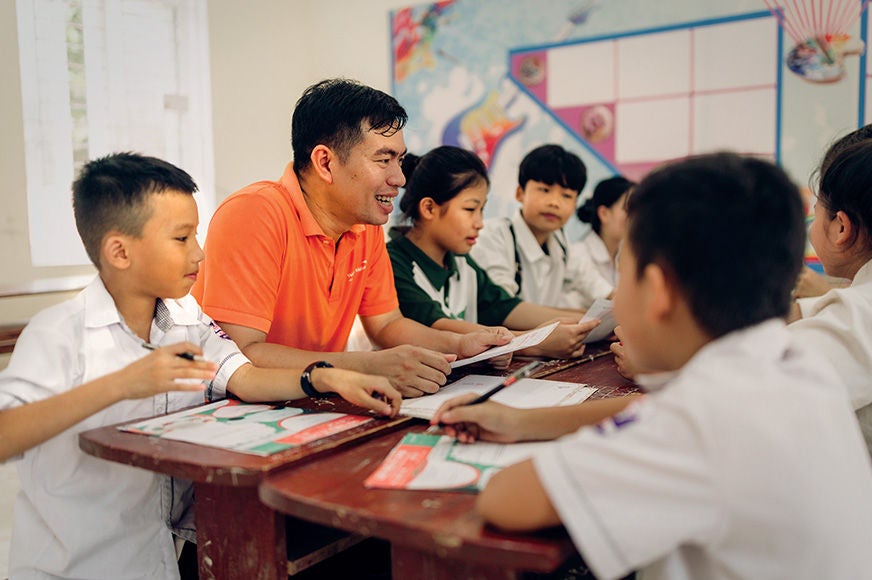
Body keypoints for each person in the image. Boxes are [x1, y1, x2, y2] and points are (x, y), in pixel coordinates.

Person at [433, 152, 872, 579]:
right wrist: (522, 421)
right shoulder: (796, 365)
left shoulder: (701, 421)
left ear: (658, 291)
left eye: (623, 281)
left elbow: (507, 500)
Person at [0, 153, 402, 579]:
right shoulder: (59, 333)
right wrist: (122, 384)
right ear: (119, 251)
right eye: (181, 239)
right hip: (76, 567)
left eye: (197, 235)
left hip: (160, 560)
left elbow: (243, 376)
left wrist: (324, 376)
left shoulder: (185, 316)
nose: (200, 253)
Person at [191, 79, 511, 398]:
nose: (399, 178)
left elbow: (387, 325)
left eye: (399, 160)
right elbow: (243, 354)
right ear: (326, 163)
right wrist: (366, 367)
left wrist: (460, 345)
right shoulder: (255, 213)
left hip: (313, 402)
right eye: (384, 160)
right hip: (231, 410)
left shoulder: (364, 224)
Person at [387, 146, 599, 359]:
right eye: (470, 209)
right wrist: (536, 341)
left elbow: (503, 307)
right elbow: (438, 326)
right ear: (429, 209)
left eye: (482, 211)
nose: (480, 223)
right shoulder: (394, 262)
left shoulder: (462, 262)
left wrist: (586, 322)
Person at [788, 125, 872, 457]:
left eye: (817, 206)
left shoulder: (858, 315)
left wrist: (669, 364)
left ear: (840, 226)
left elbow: (748, 394)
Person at [470, 144, 613, 310]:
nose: (554, 203)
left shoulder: (560, 241)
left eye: (566, 196)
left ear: (575, 204)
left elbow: (592, 282)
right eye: (545, 190)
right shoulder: (493, 236)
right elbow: (504, 308)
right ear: (520, 193)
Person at [573, 175, 634, 287]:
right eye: (628, 209)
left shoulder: (628, 258)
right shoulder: (577, 255)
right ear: (604, 214)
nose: (635, 217)